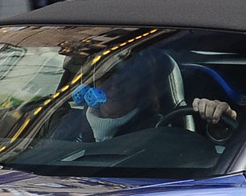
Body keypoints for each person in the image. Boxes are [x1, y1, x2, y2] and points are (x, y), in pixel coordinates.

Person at [52, 50, 236, 143]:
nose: (115, 86)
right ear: (93, 84)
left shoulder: (159, 131)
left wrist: (218, 129)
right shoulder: (65, 122)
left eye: (127, 79)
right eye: (107, 77)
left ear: (144, 90)